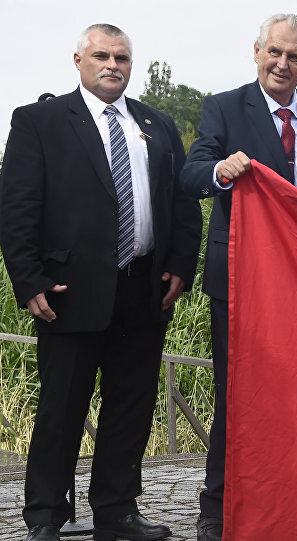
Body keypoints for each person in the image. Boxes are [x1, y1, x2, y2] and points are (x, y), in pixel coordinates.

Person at [0, 23, 202, 541]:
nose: (113, 65)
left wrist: (181, 265)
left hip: (144, 286)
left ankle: (117, 512)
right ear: (79, 61)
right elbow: (17, 207)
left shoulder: (157, 124)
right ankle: (45, 516)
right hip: (68, 291)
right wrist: (28, 279)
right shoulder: (39, 121)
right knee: (61, 409)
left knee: (131, 407)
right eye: (102, 56)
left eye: (122, 58)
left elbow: (182, 203)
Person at [179, 13, 297, 541]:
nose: (282, 63)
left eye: (294, 56)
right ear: (256, 52)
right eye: (275, 52)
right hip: (241, 282)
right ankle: (219, 507)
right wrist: (220, 171)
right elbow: (191, 174)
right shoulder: (224, 107)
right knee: (237, 394)